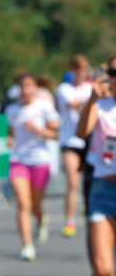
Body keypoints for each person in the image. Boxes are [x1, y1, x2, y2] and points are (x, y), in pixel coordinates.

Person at [76, 54, 116, 276]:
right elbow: (81, 133)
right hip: (103, 191)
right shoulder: (101, 106)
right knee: (103, 269)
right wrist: (92, 95)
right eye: (113, 71)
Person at [5, 74, 59, 261]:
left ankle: (41, 217)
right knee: (23, 203)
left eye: (29, 86)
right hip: (19, 160)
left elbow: (54, 134)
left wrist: (36, 129)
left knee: (35, 204)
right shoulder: (12, 109)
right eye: (23, 86)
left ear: (36, 88)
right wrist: (10, 138)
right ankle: (27, 245)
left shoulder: (44, 107)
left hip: (40, 160)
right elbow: (11, 131)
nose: (26, 90)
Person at [55, 55, 92, 237]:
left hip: (89, 140)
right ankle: (70, 220)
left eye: (84, 70)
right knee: (72, 181)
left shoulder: (90, 88)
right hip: (70, 141)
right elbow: (73, 104)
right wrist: (92, 99)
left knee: (90, 182)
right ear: (72, 71)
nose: (81, 73)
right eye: (78, 69)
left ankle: (89, 214)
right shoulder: (64, 89)